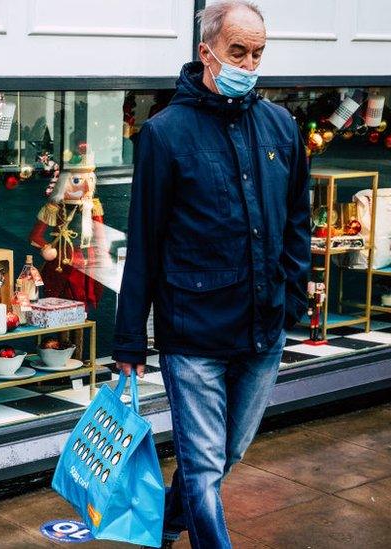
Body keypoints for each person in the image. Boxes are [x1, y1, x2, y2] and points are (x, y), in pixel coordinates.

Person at [112, 2, 310, 547]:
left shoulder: (281, 127)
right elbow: (145, 244)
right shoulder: (165, 134)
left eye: (258, 53)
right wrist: (130, 340)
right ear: (207, 53)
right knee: (201, 469)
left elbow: (298, 219)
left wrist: (292, 298)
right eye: (238, 52)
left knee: (225, 456)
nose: (249, 63)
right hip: (193, 332)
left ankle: (160, 527)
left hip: (263, 330)